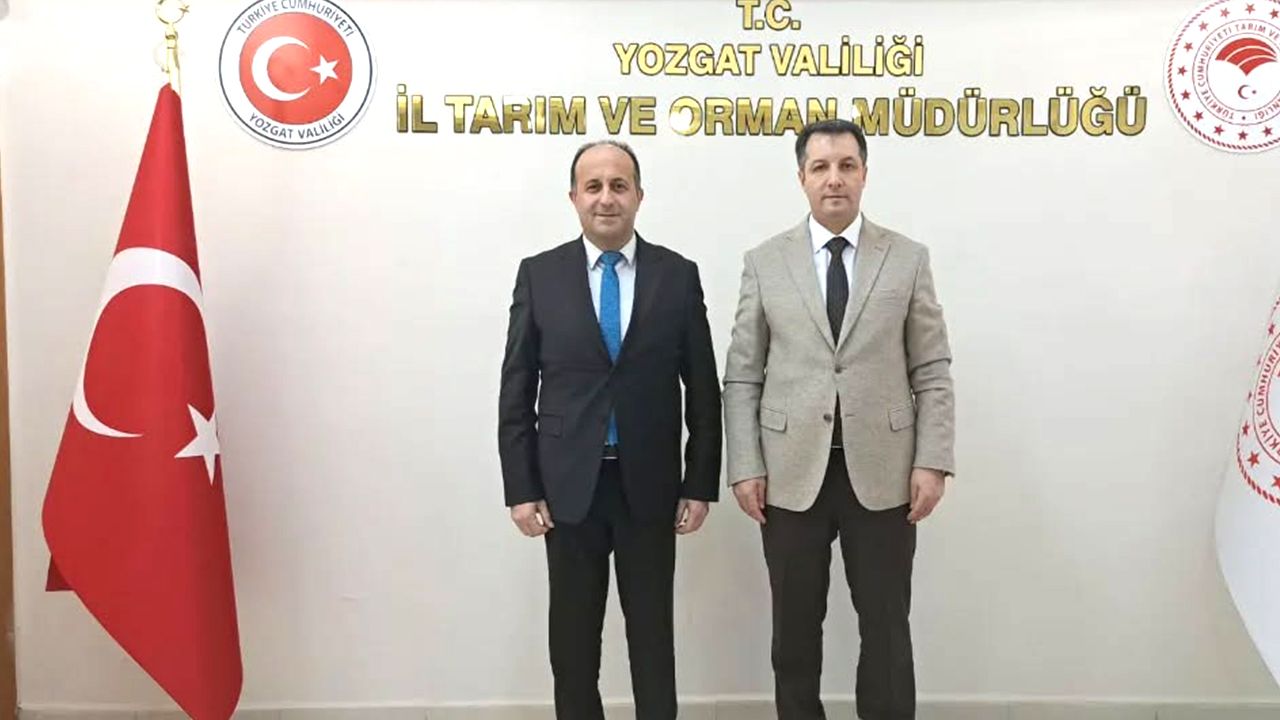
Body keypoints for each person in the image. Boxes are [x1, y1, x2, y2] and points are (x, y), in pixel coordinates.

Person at [722, 119, 956, 720]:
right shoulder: (764, 262)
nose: (834, 179)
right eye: (821, 167)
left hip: (883, 473)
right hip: (788, 475)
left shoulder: (906, 259)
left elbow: (931, 368)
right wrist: (745, 464)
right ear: (801, 177)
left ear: (864, 175)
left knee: (886, 628)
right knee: (794, 633)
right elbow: (743, 374)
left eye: (847, 166)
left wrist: (932, 460)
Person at [498, 140, 722, 720]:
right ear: (573, 197)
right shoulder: (540, 275)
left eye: (619, 186)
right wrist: (521, 487)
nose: (606, 198)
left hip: (649, 486)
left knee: (653, 638)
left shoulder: (677, 276)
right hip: (567, 489)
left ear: (639, 196)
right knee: (573, 643)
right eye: (593, 186)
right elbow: (516, 389)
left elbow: (703, 388)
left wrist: (699, 483)